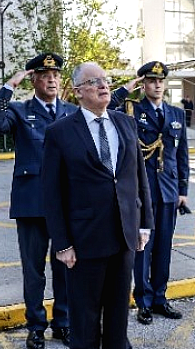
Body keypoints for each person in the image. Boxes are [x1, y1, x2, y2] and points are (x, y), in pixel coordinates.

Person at [42, 62, 153, 349]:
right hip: (84, 241)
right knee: (85, 319)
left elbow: (139, 178)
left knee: (118, 316)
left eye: (105, 80)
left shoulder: (125, 123)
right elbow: (52, 193)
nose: (103, 85)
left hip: (124, 236)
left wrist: (144, 224)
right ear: (78, 92)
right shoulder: (60, 132)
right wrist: (62, 243)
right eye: (94, 82)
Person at [0, 53, 75, 348]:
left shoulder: (73, 112)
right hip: (32, 203)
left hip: (66, 205)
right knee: (33, 271)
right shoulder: (21, 111)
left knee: (65, 267)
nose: (52, 79)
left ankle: (63, 322)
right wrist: (11, 84)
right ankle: (36, 325)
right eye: (45, 75)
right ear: (33, 79)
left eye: (56, 75)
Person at [115, 61, 190, 326]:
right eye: (151, 80)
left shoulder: (177, 114)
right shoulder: (132, 109)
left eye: (161, 81)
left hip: (168, 191)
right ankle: (143, 302)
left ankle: (160, 298)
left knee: (163, 249)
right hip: (142, 191)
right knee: (142, 249)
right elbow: (109, 109)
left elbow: (181, 154)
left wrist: (183, 189)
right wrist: (126, 89)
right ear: (144, 84)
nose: (157, 85)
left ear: (165, 84)